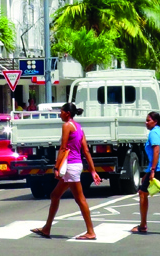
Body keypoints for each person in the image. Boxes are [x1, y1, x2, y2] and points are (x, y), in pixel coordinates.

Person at [31, 103, 102, 240]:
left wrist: (57, 167)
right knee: (55, 195)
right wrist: (93, 171)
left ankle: (90, 232)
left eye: (61, 112)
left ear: (67, 113)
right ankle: (47, 228)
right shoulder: (79, 127)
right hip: (76, 165)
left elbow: (63, 148)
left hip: (70, 166)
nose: (60, 114)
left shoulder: (67, 126)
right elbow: (86, 150)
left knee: (80, 199)